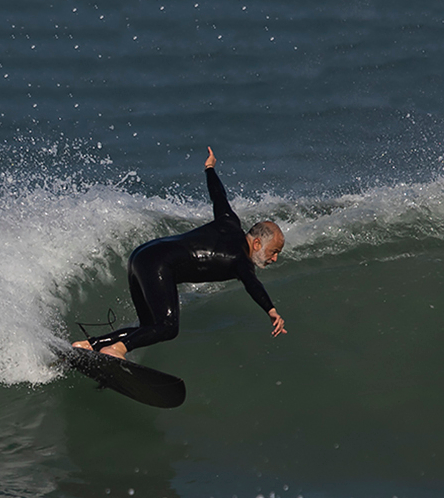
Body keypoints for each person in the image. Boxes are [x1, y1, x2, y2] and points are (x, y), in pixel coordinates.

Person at [73, 147, 287, 359]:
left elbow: (218, 196)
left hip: (142, 256)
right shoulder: (240, 259)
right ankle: (115, 350)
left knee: (150, 327)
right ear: (257, 243)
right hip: (158, 263)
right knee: (167, 327)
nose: (275, 258)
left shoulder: (229, 222)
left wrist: (210, 168)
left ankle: (88, 345)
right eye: (274, 251)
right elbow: (253, 285)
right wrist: (271, 310)